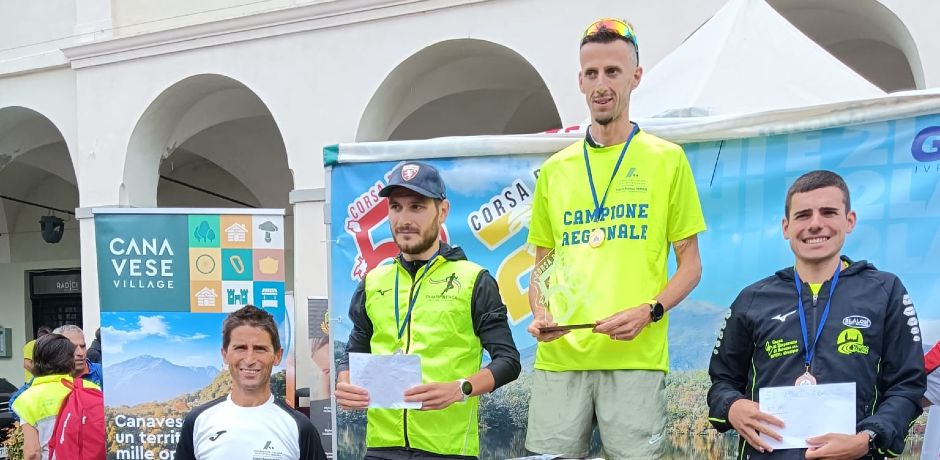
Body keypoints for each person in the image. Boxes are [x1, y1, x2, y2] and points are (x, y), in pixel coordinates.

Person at [524, 18, 705, 459]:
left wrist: (650, 311)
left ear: (635, 77)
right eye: (591, 73)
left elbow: (691, 267)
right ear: (580, 82)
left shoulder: (668, 160)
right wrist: (542, 313)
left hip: (634, 358)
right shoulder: (556, 169)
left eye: (612, 71)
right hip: (561, 359)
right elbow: (543, 267)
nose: (601, 85)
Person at [708, 170, 926, 459]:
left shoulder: (885, 291)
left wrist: (868, 439)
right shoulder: (753, 298)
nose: (815, 224)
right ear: (786, 227)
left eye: (828, 212)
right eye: (803, 215)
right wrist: (732, 407)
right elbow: (722, 382)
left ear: (849, 221)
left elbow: (907, 387)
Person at [335, 161, 521, 459]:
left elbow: (508, 361)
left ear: (442, 211)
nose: (404, 219)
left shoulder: (473, 279)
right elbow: (355, 350)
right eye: (396, 207)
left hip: (447, 450)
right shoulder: (373, 281)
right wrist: (345, 381)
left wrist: (460, 388)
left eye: (417, 207)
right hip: (381, 447)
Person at [175, 305, 326, 460]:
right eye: (240, 348)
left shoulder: (300, 427)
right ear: (225, 354)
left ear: (277, 356)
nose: (249, 360)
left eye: (260, 349)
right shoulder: (197, 421)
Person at [12, 333, 100, 460]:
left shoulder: (27, 399)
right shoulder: (91, 388)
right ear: (70, 360)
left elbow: (32, 452)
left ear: (36, 361)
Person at [10, 325, 103, 421]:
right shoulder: (45, 378)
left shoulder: (102, 373)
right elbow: (13, 406)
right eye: (73, 348)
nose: (80, 353)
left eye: (83, 346)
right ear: (57, 351)